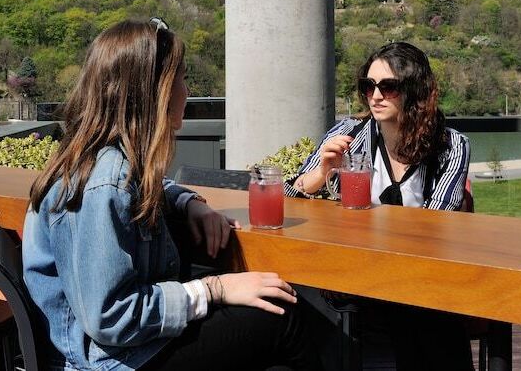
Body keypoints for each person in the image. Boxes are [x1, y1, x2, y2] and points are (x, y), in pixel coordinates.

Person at [23, 19, 322, 371]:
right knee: (287, 318)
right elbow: (110, 317)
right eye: (180, 76)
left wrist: (188, 202)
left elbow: (146, 187)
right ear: (155, 91)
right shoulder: (106, 183)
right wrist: (214, 289)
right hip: (111, 359)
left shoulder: (105, 160)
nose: (187, 88)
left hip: (116, 349)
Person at [286, 41, 473, 370]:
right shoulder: (350, 133)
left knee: (421, 312)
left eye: (388, 87)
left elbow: (436, 223)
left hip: (422, 275)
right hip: (356, 272)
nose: (375, 96)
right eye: (368, 86)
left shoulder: (449, 145)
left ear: (414, 90)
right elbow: (289, 199)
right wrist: (322, 173)